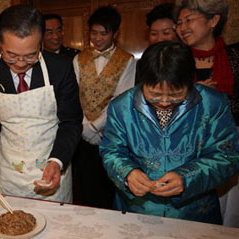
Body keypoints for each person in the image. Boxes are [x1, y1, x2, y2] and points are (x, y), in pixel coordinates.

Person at [100, 41, 239, 225]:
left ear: (190, 82)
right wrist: (128, 173)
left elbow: (227, 156)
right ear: (143, 82)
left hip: (193, 213)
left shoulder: (213, 104)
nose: (164, 102)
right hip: (137, 209)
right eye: (155, 94)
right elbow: (111, 150)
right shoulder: (122, 106)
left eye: (175, 95)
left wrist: (187, 178)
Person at [0, 5, 83, 203]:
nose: (20, 63)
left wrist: (57, 161)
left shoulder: (60, 69)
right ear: (0, 44)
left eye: (31, 55)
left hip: (52, 166)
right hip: (10, 171)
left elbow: (71, 122)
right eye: (11, 55)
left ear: (41, 44)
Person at [174, 0, 239, 227]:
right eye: (179, 23)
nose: (182, 28)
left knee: (230, 216)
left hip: (230, 147)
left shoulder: (235, 56)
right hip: (185, 148)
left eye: (189, 20)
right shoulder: (176, 60)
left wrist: (217, 100)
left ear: (213, 20)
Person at [72, 6, 136, 208]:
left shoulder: (127, 60)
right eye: (94, 33)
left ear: (115, 34)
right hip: (81, 134)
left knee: (108, 187)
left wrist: (94, 127)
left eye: (103, 34)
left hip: (110, 134)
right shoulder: (78, 58)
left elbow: (121, 99)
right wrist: (83, 125)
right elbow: (74, 94)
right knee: (84, 186)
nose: (98, 38)